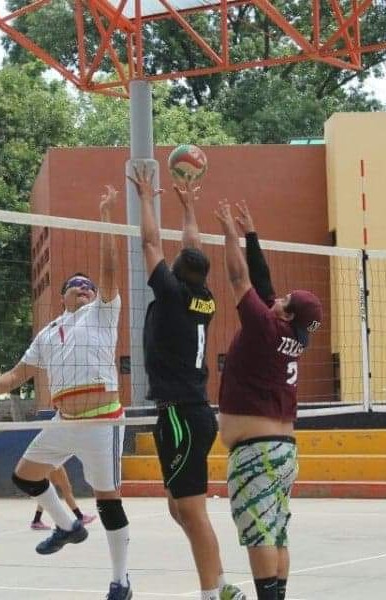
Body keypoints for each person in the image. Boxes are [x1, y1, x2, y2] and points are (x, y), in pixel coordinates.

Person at [0, 186, 133, 600]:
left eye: (89, 286)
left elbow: (111, 272)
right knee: (24, 474)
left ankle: (121, 580)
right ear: (63, 295)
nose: (85, 290)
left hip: (103, 419)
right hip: (65, 420)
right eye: (76, 286)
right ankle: (67, 526)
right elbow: (14, 376)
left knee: (108, 500)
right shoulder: (48, 334)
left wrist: (105, 219)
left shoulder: (102, 312)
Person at [128, 163, 246, 600]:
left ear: (175, 273)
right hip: (189, 412)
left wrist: (146, 197)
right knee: (179, 509)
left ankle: (214, 591)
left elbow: (151, 241)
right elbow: (191, 248)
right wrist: (189, 207)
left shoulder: (174, 294)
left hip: (179, 414)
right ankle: (218, 581)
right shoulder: (204, 297)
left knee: (192, 514)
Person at [214, 200, 323, 600]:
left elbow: (240, 277)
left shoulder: (265, 328)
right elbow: (262, 281)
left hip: (257, 453)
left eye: (283, 299)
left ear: (286, 313)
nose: (275, 298)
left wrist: (228, 234)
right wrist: (252, 234)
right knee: (276, 531)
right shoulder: (290, 336)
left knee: (260, 532)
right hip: (283, 452)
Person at [31, 464, 97, 530]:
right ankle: (80, 517)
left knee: (48, 491)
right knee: (66, 489)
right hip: (54, 462)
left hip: (49, 462)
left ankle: (36, 520)